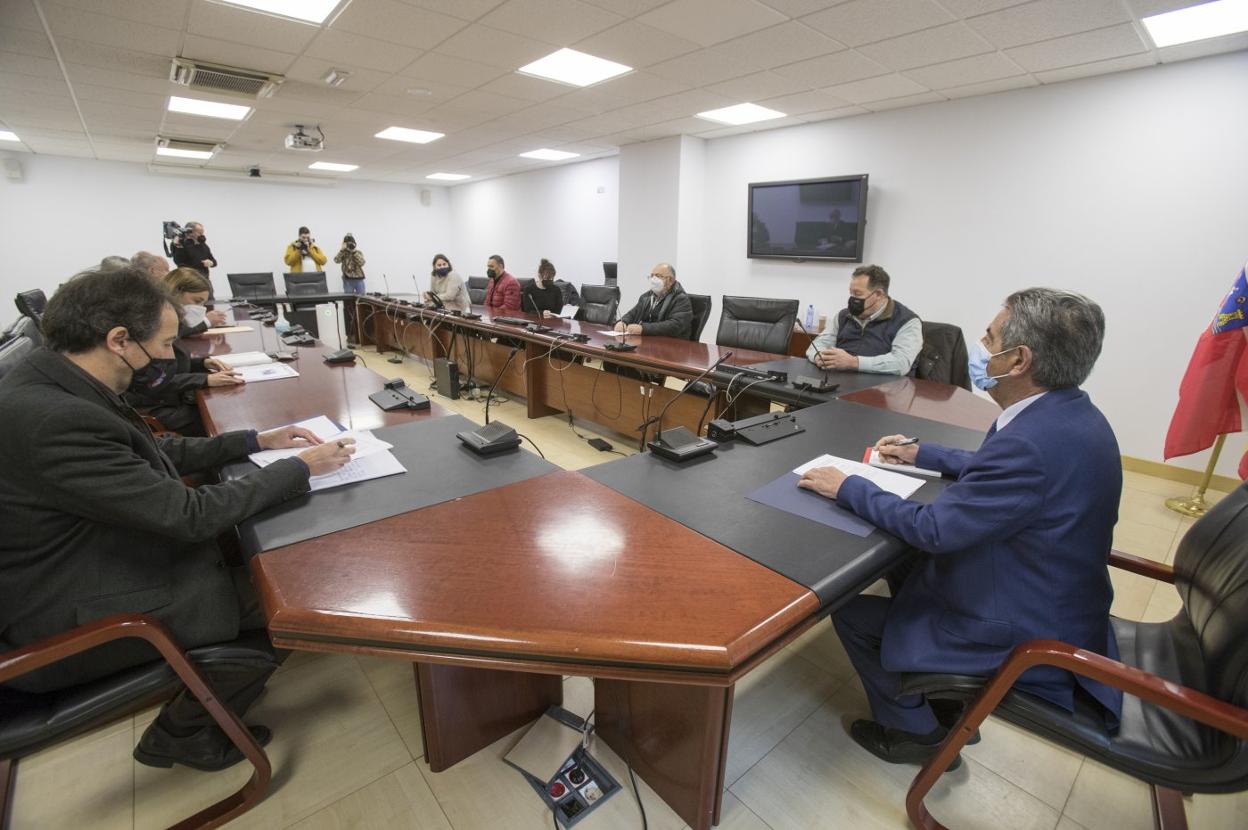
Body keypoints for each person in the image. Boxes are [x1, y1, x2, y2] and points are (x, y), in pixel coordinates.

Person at [0, 266, 356, 771]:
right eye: (164, 343)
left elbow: (150, 450)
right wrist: (299, 467)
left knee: (265, 543)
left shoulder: (51, 381)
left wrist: (255, 440)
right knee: (291, 591)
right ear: (119, 340)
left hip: (74, 563)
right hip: (69, 617)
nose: (171, 355)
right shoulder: (53, 420)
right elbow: (189, 517)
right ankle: (188, 732)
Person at [797, 288, 1122, 768]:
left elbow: (933, 529)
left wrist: (848, 486)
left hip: (1026, 625)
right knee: (909, 567)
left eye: (990, 338)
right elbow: (1001, 469)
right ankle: (942, 695)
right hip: (1059, 592)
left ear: (1019, 360)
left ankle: (917, 734)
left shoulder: (1030, 443)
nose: (980, 345)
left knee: (854, 612)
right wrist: (923, 453)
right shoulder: (1069, 414)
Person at [124, 268, 241, 435]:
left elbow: (171, 366)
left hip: (170, 400)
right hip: (157, 409)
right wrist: (204, 379)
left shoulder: (170, 323)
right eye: (197, 301)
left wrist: (202, 362)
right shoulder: (152, 326)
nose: (200, 308)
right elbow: (155, 379)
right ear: (176, 292)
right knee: (223, 417)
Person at [806, 265, 922, 375]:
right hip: (840, 382)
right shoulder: (844, 315)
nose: (852, 299)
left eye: (857, 294)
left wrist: (854, 363)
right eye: (851, 293)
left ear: (878, 294)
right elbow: (817, 345)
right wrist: (819, 356)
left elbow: (901, 363)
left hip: (884, 388)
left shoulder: (907, 321)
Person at [614, 262, 692, 338]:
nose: (653, 279)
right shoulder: (646, 297)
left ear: (670, 280)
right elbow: (633, 313)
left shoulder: (680, 299)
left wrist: (643, 329)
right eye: (652, 276)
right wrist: (623, 322)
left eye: (658, 276)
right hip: (649, 342)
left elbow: (676, 325)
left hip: (671, 345)